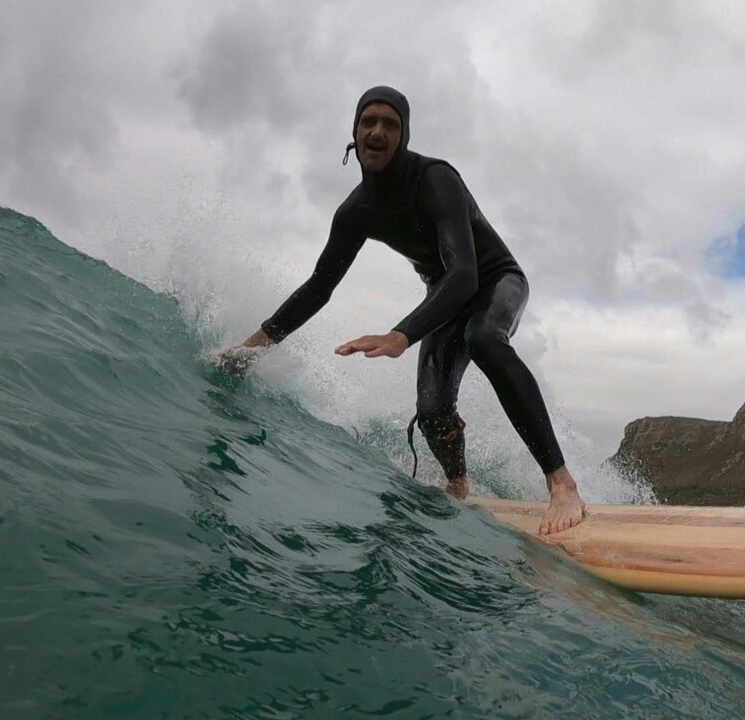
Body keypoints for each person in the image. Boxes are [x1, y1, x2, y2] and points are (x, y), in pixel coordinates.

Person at [216, 86, 586, 535]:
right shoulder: (356, 212)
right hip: (444, 299)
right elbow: (319, 288)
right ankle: (459, 487)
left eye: (390, 124)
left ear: (404, 135)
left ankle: (561, 483)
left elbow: (465, 275)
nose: (377, 131)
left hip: (494, 281)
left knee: (485, 339)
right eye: (368, 121)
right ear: (354, 133)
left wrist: (401, 336)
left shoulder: (435, 178)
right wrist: (254, 347)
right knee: (432, 411)